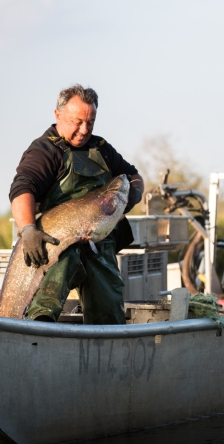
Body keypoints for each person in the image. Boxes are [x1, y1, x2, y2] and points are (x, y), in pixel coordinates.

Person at [9, 84, 144, 324]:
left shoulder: (100, 149)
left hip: (100, 251)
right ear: (57, 115)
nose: (84, 130)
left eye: (90, 122)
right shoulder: (44, 151)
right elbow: (22, 189)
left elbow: (132, 176)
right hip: (58, 248)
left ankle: (106, 352)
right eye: (76, 121)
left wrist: (126, 200)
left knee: (110, 319)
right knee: (45, 305)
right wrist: (28, 229)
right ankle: (37, 333)